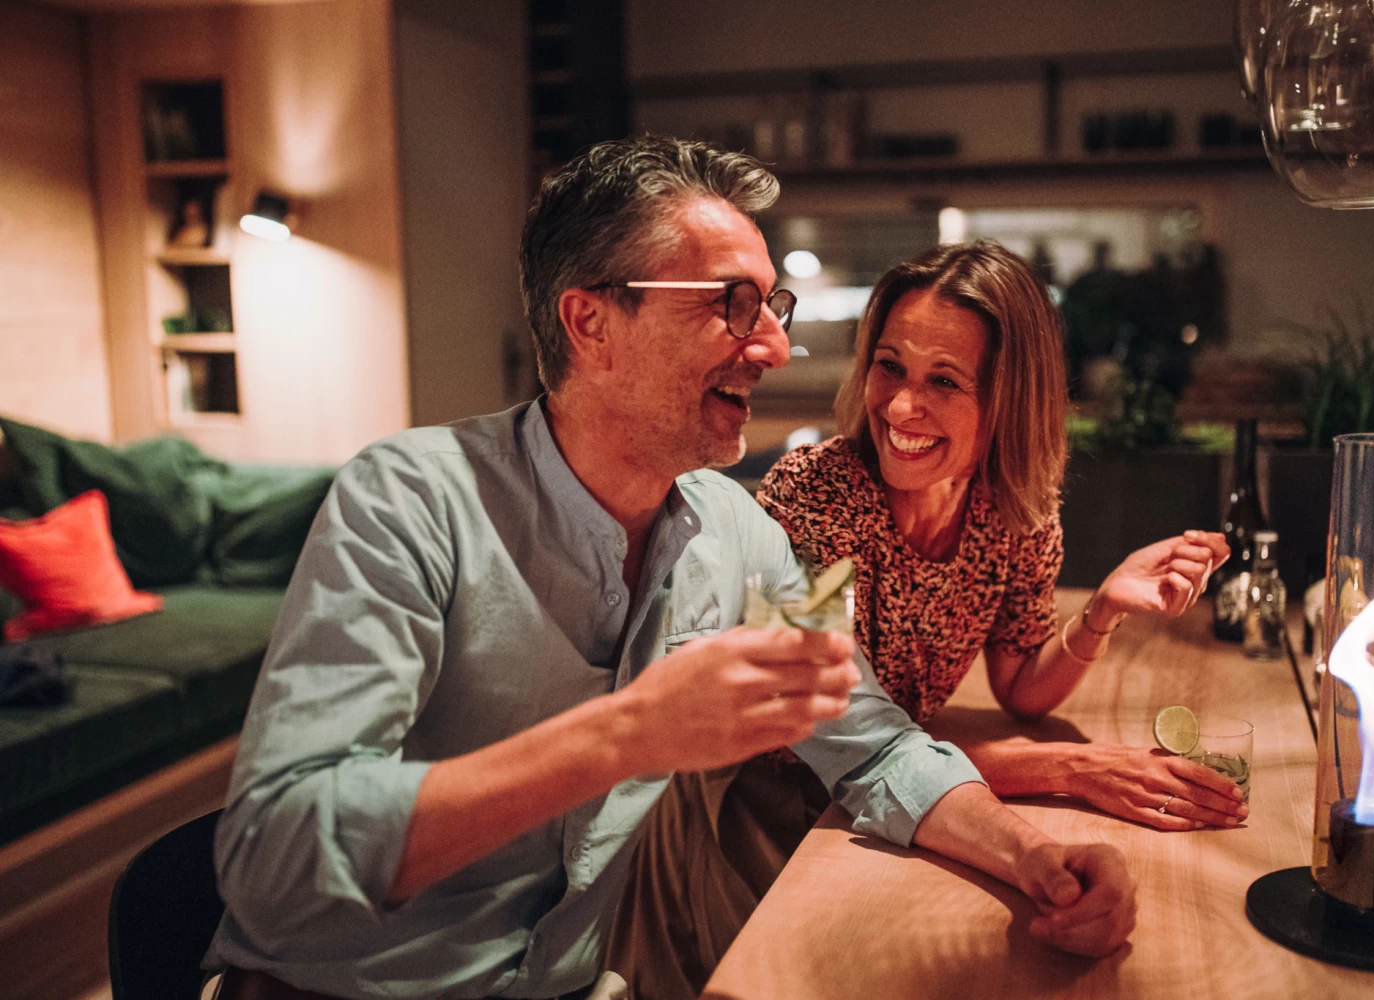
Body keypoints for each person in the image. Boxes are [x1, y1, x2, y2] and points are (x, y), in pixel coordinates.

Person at [203, 139, 1135, 1000]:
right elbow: (272, 858)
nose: (774, 347)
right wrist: (628, 734)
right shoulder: (408, 500)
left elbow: (875, 744)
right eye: (732, 304)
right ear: (592, 322)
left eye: (773, 307)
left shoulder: (744, 532)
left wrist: (1035, 860)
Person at [609, 240, 1240, 1000]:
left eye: (943, 380)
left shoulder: (1017, 510)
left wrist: (1102, 610)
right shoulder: (815, 496)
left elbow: (1021, 688)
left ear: (1009, 399)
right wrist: (1073, 768)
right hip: (781, 823)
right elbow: (819, 732)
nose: (901, 407)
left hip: (913, 803)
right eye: (890, 367)